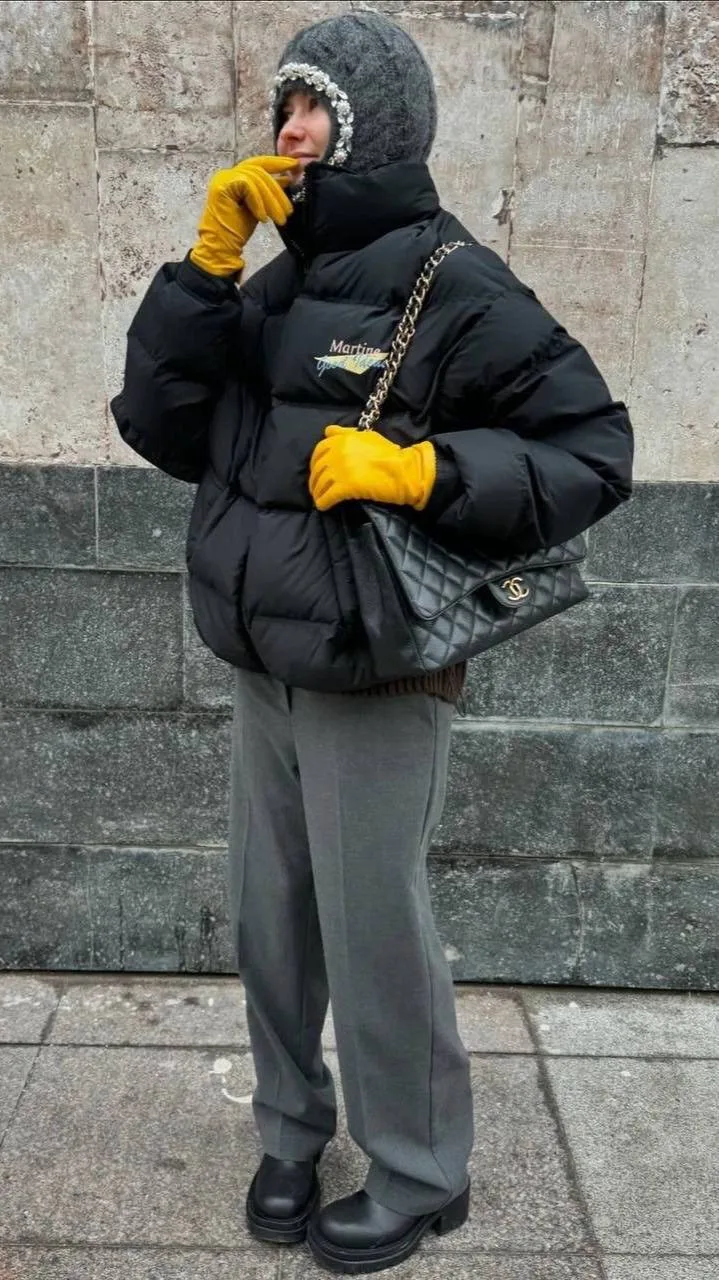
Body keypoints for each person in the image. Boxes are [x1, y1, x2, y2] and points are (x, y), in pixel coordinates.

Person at [111, 11, 633, 1274]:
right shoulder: (274, 282)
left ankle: (419, 1170)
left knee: (371, 925)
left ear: (372, 129)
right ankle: (290, 1132)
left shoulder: (454, 283)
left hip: (379, 663)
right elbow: (163, 426)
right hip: (264, 660)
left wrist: (422, 469)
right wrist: (202, 271)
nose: (289, 129)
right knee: (271, 917)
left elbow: (592, 449)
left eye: (316, 108)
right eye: (284, 105)